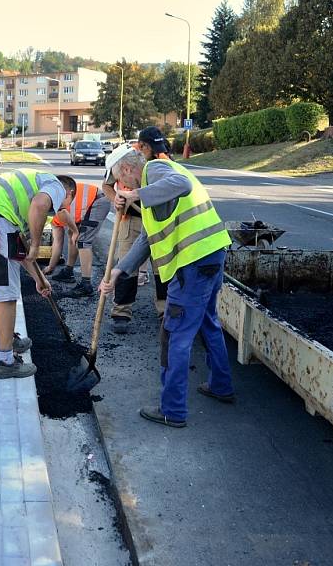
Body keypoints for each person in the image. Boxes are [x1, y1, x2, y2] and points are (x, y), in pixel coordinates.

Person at [99, 126, 235, 427]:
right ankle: (221, 386)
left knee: (175, 334)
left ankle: (172, 410)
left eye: (120, 183)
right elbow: (147, 238)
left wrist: (134, 192)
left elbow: (181, 182)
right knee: (209, 323)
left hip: (194, 265)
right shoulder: (152, 192)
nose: (120, 191)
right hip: (212, 255)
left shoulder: (156, 169)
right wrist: (119, 271)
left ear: (127, 169)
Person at [0, 169, 77, 380]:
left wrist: (38, 279)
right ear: (68, 192)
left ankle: (8, 340)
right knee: (6, 293)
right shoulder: (56, 186)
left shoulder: (25, 192)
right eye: (61, 206)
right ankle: (6, 361)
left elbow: (20, 252)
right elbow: (41, 205)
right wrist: (36, 242)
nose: (57, 210)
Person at [100, 144, 148, 333]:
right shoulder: (120, 160)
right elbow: (106, 186)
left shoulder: (158, 163)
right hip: (132, 216)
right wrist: (116, 198)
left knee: (162, 267)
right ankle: (121, 312)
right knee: (126, 262)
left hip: (159, 218)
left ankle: (164, 311)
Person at [43, 182, 110, 298]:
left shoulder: (57, 212)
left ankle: (86, 285)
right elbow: (61, 240)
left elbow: (58, 243)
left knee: (83, 241)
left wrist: (50, 267)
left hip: (97, 201)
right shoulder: (52, 211)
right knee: (72, 235)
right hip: (86, 203)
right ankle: (68, 271)